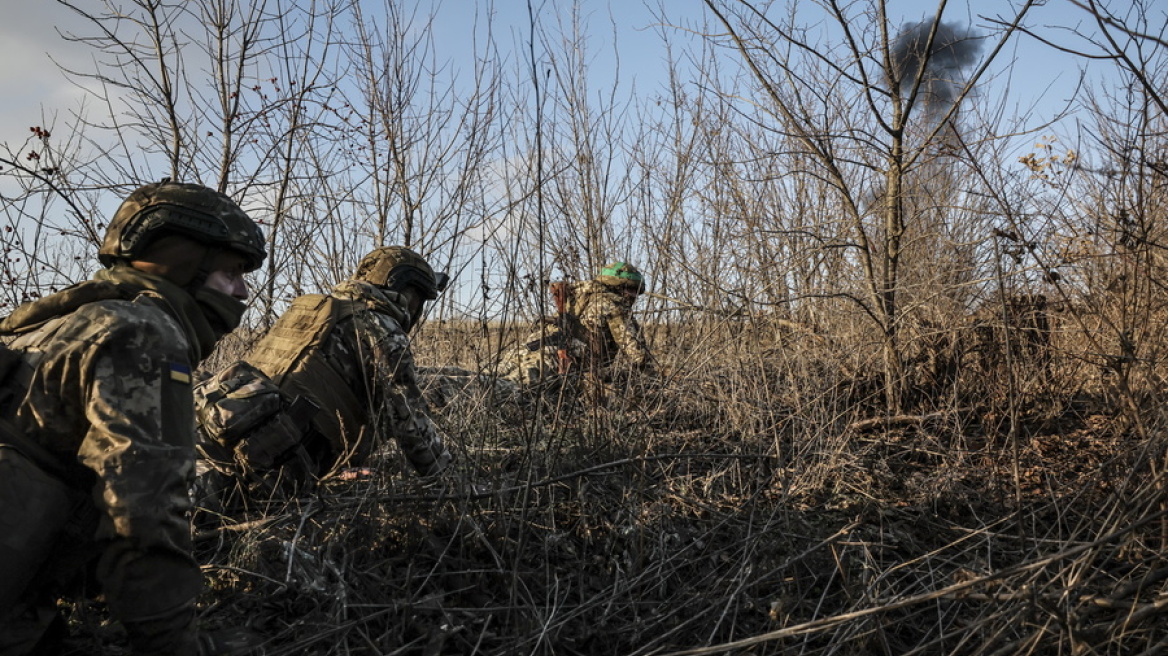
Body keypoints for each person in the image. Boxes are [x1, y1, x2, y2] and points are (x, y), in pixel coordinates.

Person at [0, 180, 267, 655]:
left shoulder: (49, 324)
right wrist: (176, 645)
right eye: (231, 272)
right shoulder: (143, 334)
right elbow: (142, 516)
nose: (242, 291)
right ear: (184, 263)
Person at [195, 246, 452, 501]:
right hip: (273, 460)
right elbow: (410, 422)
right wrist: (450, 483)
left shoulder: (313, 310)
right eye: (418, 299)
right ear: (405, 290)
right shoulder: (382, 329)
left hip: (217, 433)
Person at [500, 261, 654, 387]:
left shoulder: (577, 296)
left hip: (526, 349)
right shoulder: (614, 305)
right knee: (505, 390)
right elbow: (637, 355)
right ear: (618, 286)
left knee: (488, 379)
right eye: (631, 290)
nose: (634, 297)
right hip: (554, 360)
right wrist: (655, 380)